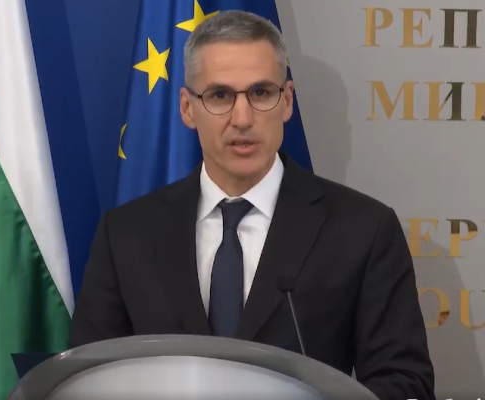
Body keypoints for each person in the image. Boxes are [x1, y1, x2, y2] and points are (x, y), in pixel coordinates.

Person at [70, 10, 434, 400]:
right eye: (220, 95)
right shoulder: (126, 234)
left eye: (260, 93)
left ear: (287, 101)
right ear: (187, 108)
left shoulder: (363, 230)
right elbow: (88, 381)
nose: (242, 118)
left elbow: (404, 382)